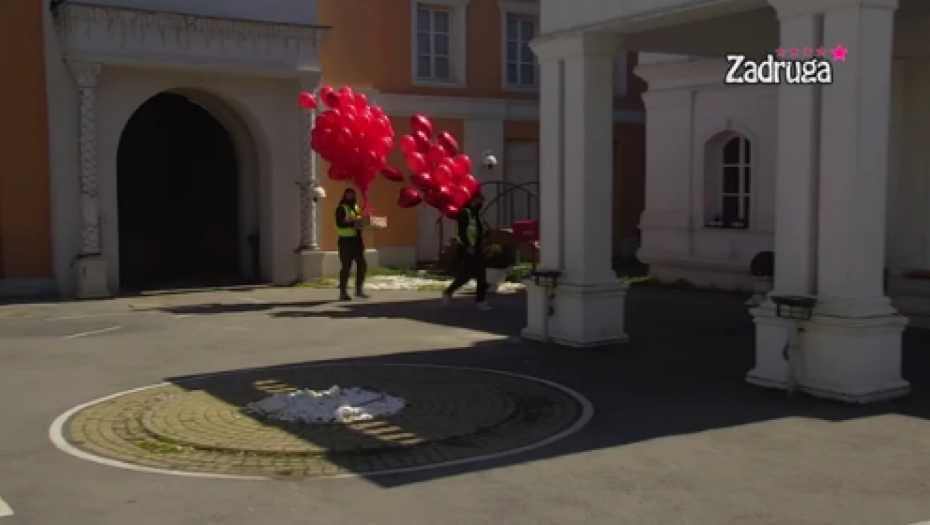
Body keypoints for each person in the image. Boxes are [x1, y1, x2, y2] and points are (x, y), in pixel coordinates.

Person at [442, 192, 491, 310]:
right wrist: (468, 246)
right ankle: (449, 292)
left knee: (479, 275)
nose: (481, 203)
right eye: (479, 200)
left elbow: (480, 231)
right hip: (468, 249)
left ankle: (480, 300)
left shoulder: (477, 214)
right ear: (473, 200)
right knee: (469, 275)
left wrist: (485, 243)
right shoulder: (465, 213)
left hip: (478, 248)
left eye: (482, 201)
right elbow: (462, 232)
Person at [334, 188, 369, 300]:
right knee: (346, 267)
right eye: (348, 195)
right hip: (346, 242)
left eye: (352, 195)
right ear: (344, 196)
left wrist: (366, 222)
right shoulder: (341, 208)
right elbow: (340, 223)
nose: (350, 197)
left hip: (357, 241)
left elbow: (359, 221)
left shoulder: (356, 207)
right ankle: (343, 292)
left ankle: (359, 290)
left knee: (362, 265)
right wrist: (353, 224)